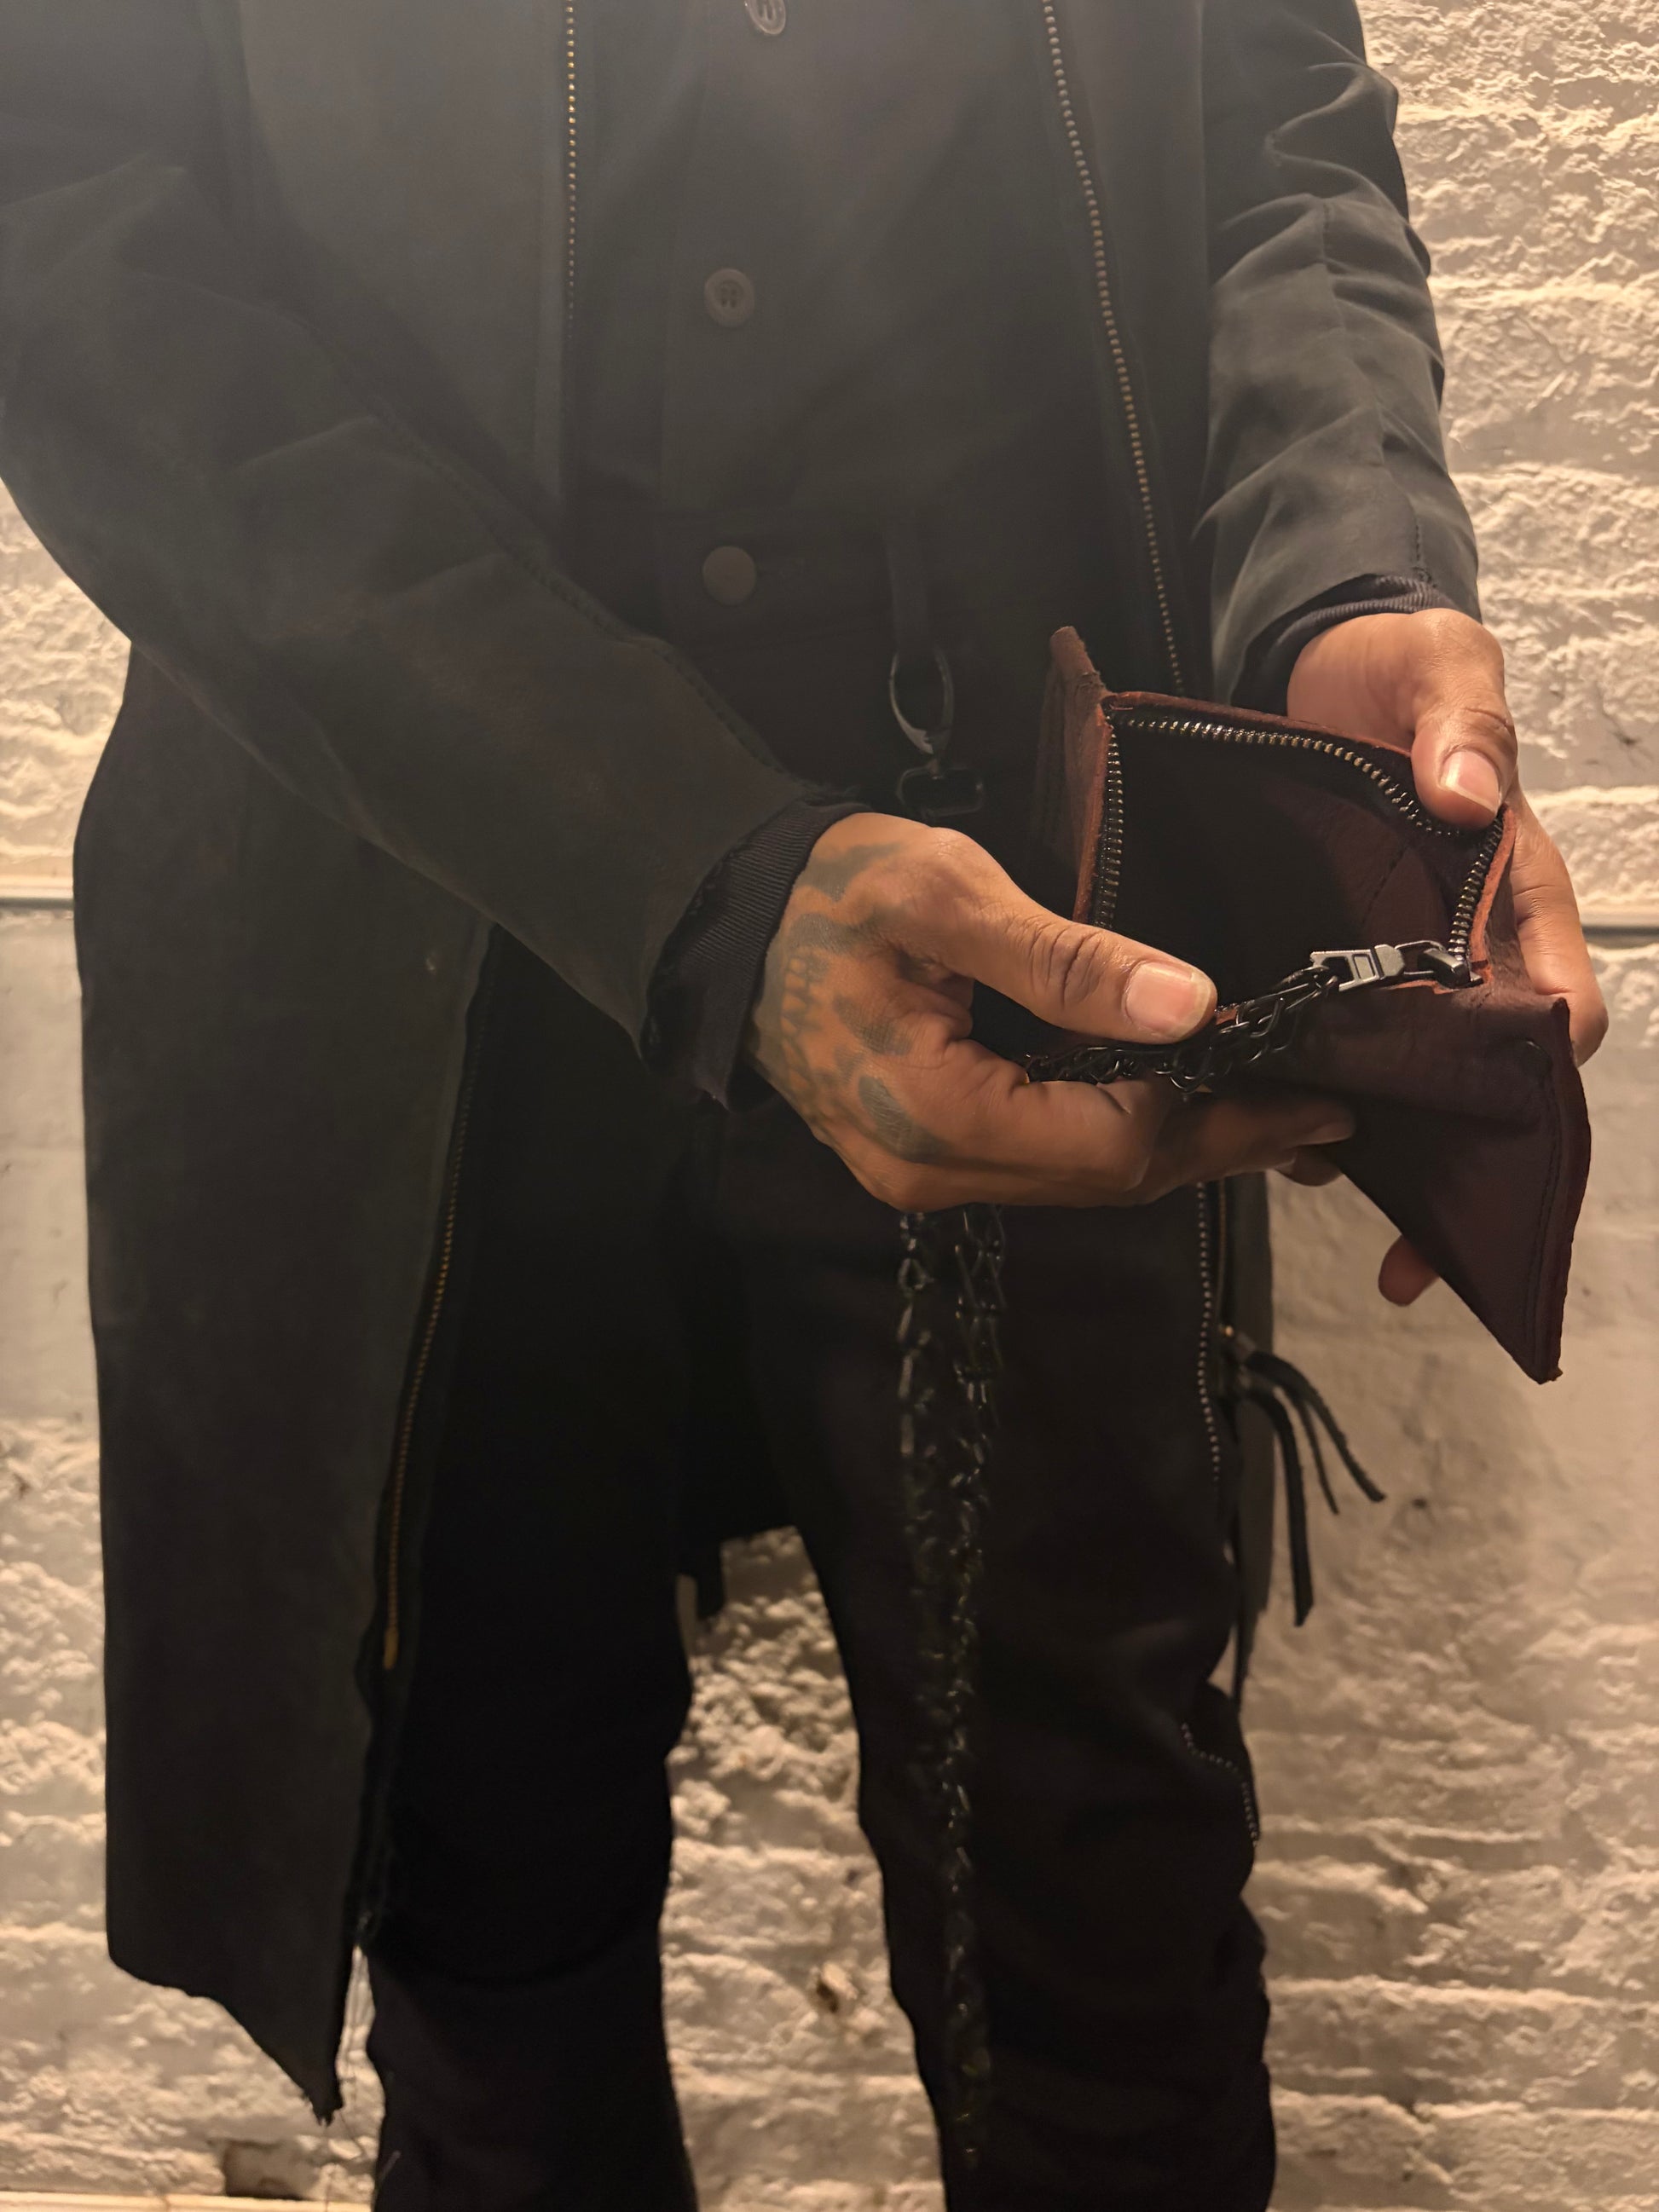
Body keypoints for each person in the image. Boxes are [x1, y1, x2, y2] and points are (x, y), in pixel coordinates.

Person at [0, 4, 1605, 2208]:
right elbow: (68, 236)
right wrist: (684, 865)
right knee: (486, 1951)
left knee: (1109, 1948)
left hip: (1036, 915)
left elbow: (1266, 123)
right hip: (406, 917)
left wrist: (1346, 562)